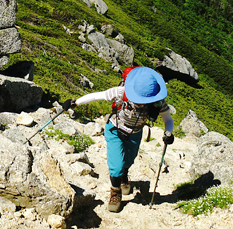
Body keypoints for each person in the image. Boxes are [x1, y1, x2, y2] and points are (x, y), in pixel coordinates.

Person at [70, 66, 175, 212]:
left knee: (129, 159)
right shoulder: (121, 92)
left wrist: (168, 133)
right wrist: (75, 103)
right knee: (116, 165)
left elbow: (168, 120)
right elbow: (97, 96)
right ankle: (115, 192)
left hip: (136, 132)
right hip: (115, 129)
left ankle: (124, 176)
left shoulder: (158, 102)